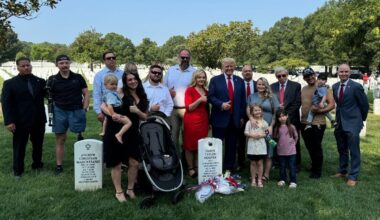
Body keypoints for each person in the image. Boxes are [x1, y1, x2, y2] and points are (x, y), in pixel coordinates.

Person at [102, 70, 148, 202]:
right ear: (125, 82)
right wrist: (112, 115)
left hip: (132, 132)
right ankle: (118, 191)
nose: (133, 81)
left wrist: (138, 111)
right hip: (115, 129)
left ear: (138, 80)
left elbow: (145, 117)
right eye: (129, 80)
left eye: (135, 79)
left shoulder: (142, 96)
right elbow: (103, 105)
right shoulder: (119, 91)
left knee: (134, 162)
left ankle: (130, 188)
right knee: (116, 162)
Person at [1, 57, 46, 178]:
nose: (26, 67)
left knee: (38, 144)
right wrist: (9, 121)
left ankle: (37, 165)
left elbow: (49, 95)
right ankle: (18, 170)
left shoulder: (40, 81)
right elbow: (6, 104)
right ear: (18, 67)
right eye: (23, 66)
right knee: (19, 146)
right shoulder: (10, 83)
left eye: (28, 65)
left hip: (38, 119)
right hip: (20, 120)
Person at [47, 55, 89, 175]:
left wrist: (85, 107)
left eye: (66, 63)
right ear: (57, 65)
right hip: (59, 110)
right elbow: (48, 96)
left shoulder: (78, 77)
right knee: (60, 138)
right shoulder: (52, 79)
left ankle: (83, 161)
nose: (64, 65)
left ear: (69, 63)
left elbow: (86, 93)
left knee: (80, 136)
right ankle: (59, 165)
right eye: (61, 63)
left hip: (76, 110)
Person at [332, 64, 369, 187]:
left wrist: (360, 121)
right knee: (342, 148)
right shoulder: (335, 86)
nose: (343, 73)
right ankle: (342, 170)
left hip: (353, 122)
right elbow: (339, 105)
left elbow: (364, 105)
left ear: (349, 72)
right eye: (341, 71)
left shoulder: (356, 86)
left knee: (354, 150)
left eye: (346, 71)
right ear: (338, 72)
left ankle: (353, 176)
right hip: (340, 123)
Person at [208, 57, 246, 172]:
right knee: (218, 145)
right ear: (222, 67)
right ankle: (216, 168)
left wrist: (241, 116)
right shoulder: (215, 80)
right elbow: (211, 97)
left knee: (231, 145)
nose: (229, 68)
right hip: (219, 118)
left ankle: (228, 168)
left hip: (234, 119)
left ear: (234, 67)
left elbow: (242, 101)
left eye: (231, 66)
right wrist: (221, 104)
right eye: (226, 66)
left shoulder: (239, 80)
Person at [300, 67, 335, 179]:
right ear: (304, 78)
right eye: (307, 76)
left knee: (316, 147)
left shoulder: (323, 87)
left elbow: (331, 104)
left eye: (311, 75)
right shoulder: (304, 89)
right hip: (305, 122)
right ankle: (313, 165)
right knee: (309, 146)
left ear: (315, 75)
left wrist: (320, 110)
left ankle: (317, 171)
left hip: (318, 123)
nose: (309, 78)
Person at [247, 77, 279, 182]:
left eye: (263, 84)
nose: (260, 86)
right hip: (255, 126)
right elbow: (248, 109)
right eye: (259, 84)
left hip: (267, 125)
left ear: (266, 85)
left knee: (268, 147)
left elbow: (276, 112)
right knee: (256, 147)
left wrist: (271, 126)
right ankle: (255, 174)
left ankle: (266, 174)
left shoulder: (272, 97)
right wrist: (251, 119)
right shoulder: (252, 96)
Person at [164, 49, 196, 152]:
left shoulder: (194, 72)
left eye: (187, 57)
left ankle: (186, 161)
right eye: (183, 57)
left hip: (187, 109)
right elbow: (163, 86)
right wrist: (168, 91)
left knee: (187, 136)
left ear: (190, 58)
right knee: (173, 136)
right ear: (179, 58)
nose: (185, 59)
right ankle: (176, 161)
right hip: (173, 109)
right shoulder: (171, 70)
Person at [270, 67, 301, 170]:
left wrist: (285, 115)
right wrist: (279, 116)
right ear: (276, 77)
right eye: (279, 76)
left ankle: (295, 164)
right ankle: (278, 162)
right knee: (278, 139)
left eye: (284, 75)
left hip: (292, 118)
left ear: (287, 75)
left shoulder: (296, 86)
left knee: (293, 140)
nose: (282, 77)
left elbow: (297, 103)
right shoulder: (272, 87)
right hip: (278, 119)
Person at [183, 69, 209, 177]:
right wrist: (200, 100)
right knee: (189, 145)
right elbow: (189, 107)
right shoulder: (190, 90)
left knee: (200, 144)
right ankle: (190, 168)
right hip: (191, 121)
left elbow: (208, 108)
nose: (201, 79)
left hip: (203, 120)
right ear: (195, 78)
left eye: (203, 77)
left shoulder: (206, 91)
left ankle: (198, 167)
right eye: (199, 77)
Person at [93, 51, 124, 124]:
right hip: (107, 109)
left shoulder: (122, 73)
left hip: (121, 107)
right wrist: (98, 112)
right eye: (108, 58)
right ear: (104, 61)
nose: (111, 59)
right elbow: (97, 94)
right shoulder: (99, 75)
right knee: (108, 133)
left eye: (113, 58)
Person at [100, 74, 132, 144]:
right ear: (105, 85)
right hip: (115, 111)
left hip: (110, 113)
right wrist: (113, 114)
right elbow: (110, 105)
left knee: (106, 119)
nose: (114, 86)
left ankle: (103, 131)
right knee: (128, 122)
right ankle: (119, 134)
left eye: (116, 84)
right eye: (112, 84)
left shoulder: (107, 93)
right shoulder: (111, 95)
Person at [237, 64, 257, 171]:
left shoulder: (257, 84)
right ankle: (241, 162)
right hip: (242, 116)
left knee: (255, 138)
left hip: (256, 116)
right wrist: (240, 116)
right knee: (241, 141)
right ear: (242, 73)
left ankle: (254, 161)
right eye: (245, 71)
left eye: (249, 70)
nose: (247, 72)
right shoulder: (238, 84)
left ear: (252, 72)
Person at [273, 109, 298, 188]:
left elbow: (296, 136)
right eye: (279, 117)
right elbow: (275, 139)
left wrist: (294, 143)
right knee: (282, 166)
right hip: (281, 152)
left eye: (283, 116)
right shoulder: (277, 128)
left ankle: (293, 181)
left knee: (292, 166)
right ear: (277, 119)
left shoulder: (291, 127)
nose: (282, 118)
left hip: (291, 152)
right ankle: (282, 179)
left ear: (287, 116)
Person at [244, 104, 268, 188]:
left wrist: (261, 135)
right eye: (255, 110)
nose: (258, 112)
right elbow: (246, 132)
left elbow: (267, 133)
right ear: (252, 112)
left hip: (261, 146)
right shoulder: (249, 122)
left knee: (260, 163)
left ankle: (260, 180)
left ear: (261, 111)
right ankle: (253, 179)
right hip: (252, 146)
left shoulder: (264, 122)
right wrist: (252, 135)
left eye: (259, 110)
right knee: (253, 163)